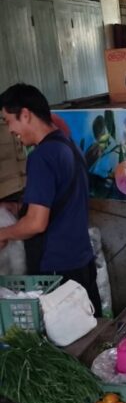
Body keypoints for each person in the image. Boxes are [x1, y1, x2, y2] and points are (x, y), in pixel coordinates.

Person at [0, 83, 102, 314]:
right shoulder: (68, 145)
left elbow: (37, 223)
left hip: (58, 273)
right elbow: (60, 201)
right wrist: (18, 207)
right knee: (91, 332)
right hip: (82, 264)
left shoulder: (42, 157)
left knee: (69, 345)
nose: (10, 130)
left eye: (8, 121)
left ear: (25, 115)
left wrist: (3, 233)